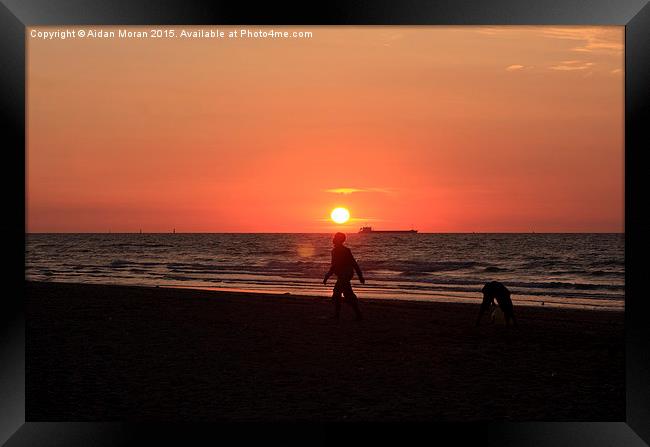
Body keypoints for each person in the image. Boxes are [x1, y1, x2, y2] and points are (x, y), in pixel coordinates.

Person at [323, 232, 364, 321]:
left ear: (339, 240)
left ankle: (337, 316)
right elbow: (334, 266)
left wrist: (360, 275)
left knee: (337, 294)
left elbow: (353, 263)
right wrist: (328, 275)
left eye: (335, 237)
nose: (333, 238)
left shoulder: (344, 250)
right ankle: (358, 314)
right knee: (347, 294)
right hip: (343, 275)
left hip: (345, 274)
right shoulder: (336, 250)